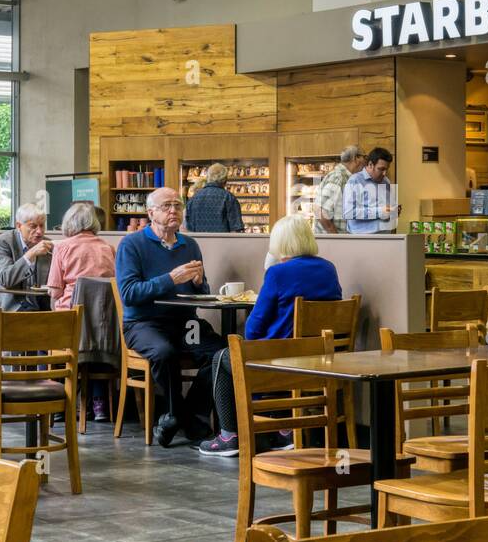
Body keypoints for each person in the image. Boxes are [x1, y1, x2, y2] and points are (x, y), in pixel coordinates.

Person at [199, 215, 342, 457]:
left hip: (281, 361)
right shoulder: (329, 268)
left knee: (222, 358)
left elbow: (253, 328)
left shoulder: (277, 273)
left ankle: (229, 435)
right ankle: (284, 429)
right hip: (320, 359)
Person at [116, 187, 225, 446]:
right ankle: (185, 419)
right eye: (167, 206)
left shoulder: (190, 245)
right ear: (151, 212)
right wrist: (170, 279)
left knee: (222, 353)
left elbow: (203, 293)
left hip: (186, 323)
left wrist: (199, 284)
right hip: (144, 322)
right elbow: (129, 294)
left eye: (177, 205)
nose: (174, 210)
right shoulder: (132, 244)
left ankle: (183, 413)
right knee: (164, 352)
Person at [47, 201, 116, 419]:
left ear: (69, 224)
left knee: (44, 339)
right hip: (105, 328)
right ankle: (99, 404)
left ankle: (57, 402)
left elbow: (55, 291)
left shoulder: (62, 247)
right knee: (93, 344)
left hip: (71, 325)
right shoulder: (108, 248)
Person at [0, 203, 52, 317]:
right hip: (6, 310)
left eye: (42, 226)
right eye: (33, 226)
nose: (39, 231)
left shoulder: (48, 245)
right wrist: (31, 254)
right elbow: (5, 280)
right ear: (19, 226)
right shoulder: (2, 243)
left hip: (39, 310)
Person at [343, 147, 400, 234]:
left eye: (386, 169)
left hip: (386, 238)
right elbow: (348, 212)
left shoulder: (386, 181)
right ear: (370, 164)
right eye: (381, 169)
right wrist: (380, 211)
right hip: (364, 240)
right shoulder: (355, 181)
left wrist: (393, 211)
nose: (384, 173)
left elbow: (386, 209)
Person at [315, 145, 365, 234]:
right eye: (364, 157)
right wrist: (336, 238)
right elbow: (321, 212)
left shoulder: (347, 178)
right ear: (356, 158)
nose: (365, 161)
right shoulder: (339, 178)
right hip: (332, 243)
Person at [184, 163, 244, 233]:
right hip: (222, 243)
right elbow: (236, 230)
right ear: (225, 180)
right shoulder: (229, 198)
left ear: (208, 177)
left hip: (199, 243)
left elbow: (188, 229)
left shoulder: (193, 199)